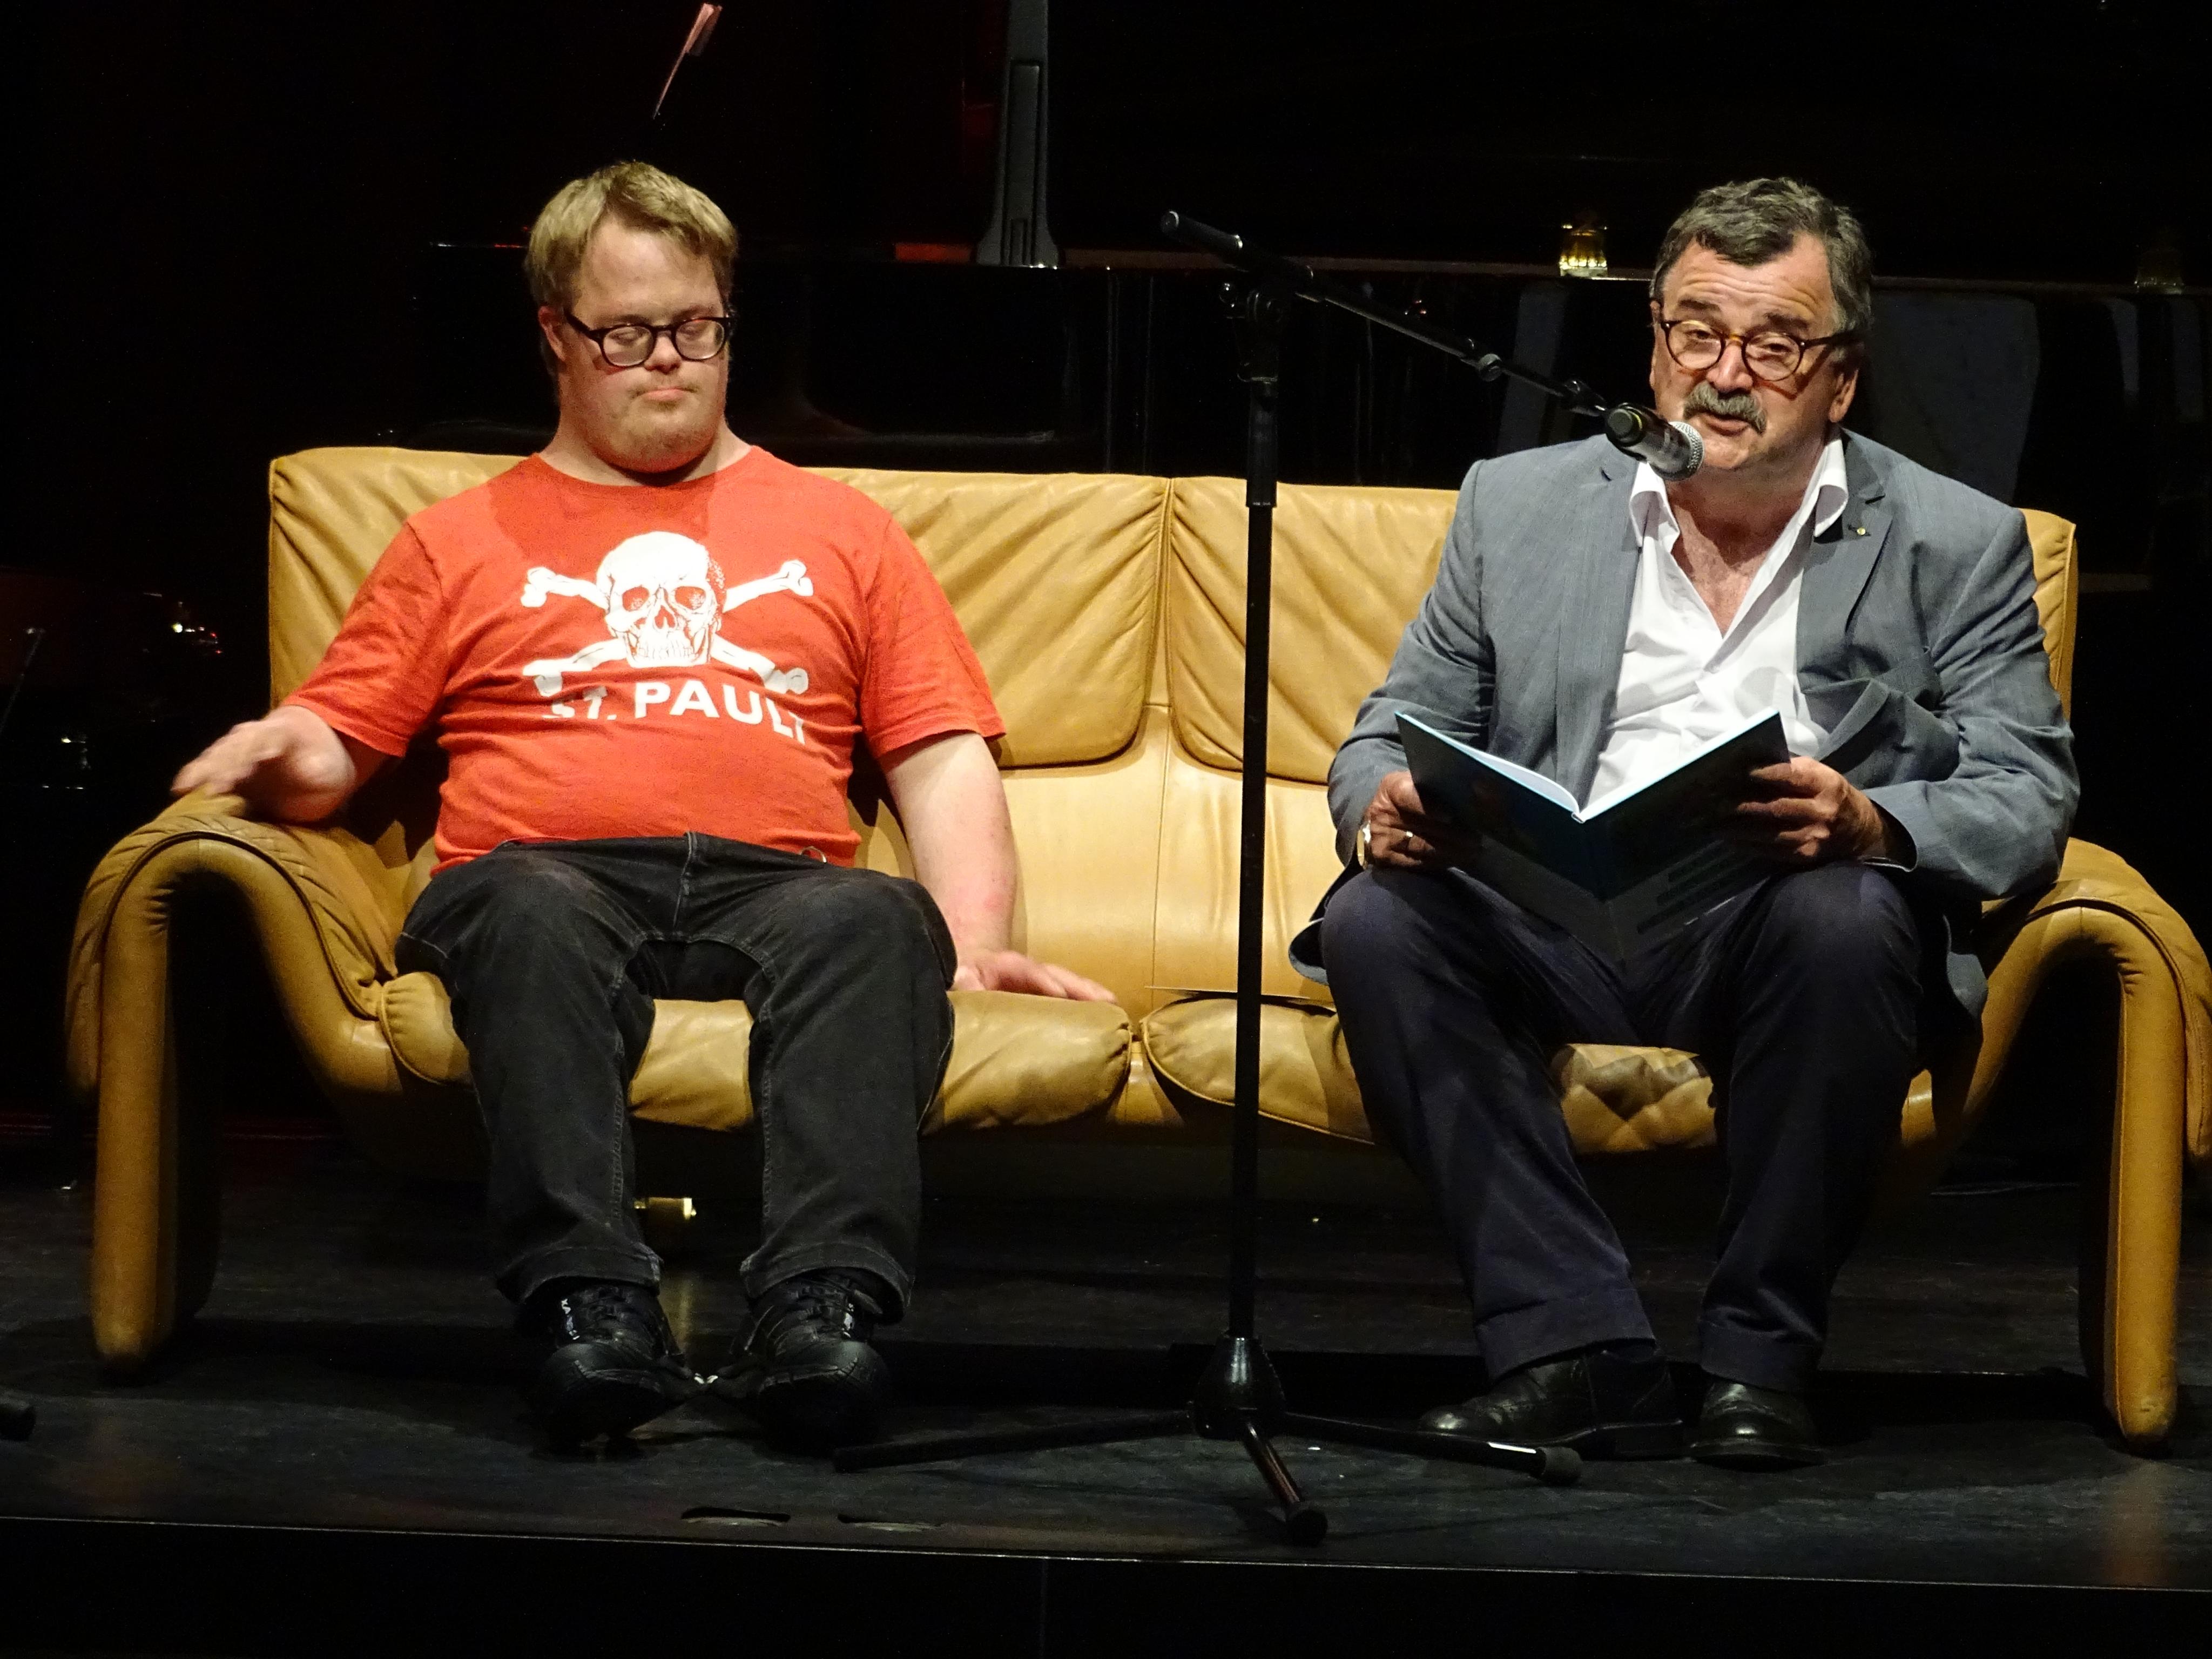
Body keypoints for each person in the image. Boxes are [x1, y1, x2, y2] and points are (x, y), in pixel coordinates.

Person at [172, 161, 1111, 1451]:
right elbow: (339, 744)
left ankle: (818, 1312)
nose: (667, 360)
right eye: (627, 333)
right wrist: (281, 744)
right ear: (556, 336)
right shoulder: (457, 540)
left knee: (875, 920)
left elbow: (938, 755)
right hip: (543, 871)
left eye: (694, 328)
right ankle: (590, 1307)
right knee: (527, 911)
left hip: (776, 882)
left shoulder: (843, 531)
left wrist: (973, 937)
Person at [1300, 178, 2075, 1468]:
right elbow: (1386, 732)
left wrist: (1869, 823)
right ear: (1653, 346)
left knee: (1845, 918)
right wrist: (1376, 810)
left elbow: (2026, 794)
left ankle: (1755, 1363)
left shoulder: (1955, 542)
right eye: (1695, 333)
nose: (1724, 376)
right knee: (1375, 921)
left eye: (1772, 347)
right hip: (1553, 914)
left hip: (1773, 923)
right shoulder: (1518, 505)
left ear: (1839, 379)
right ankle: (1574, 1351)